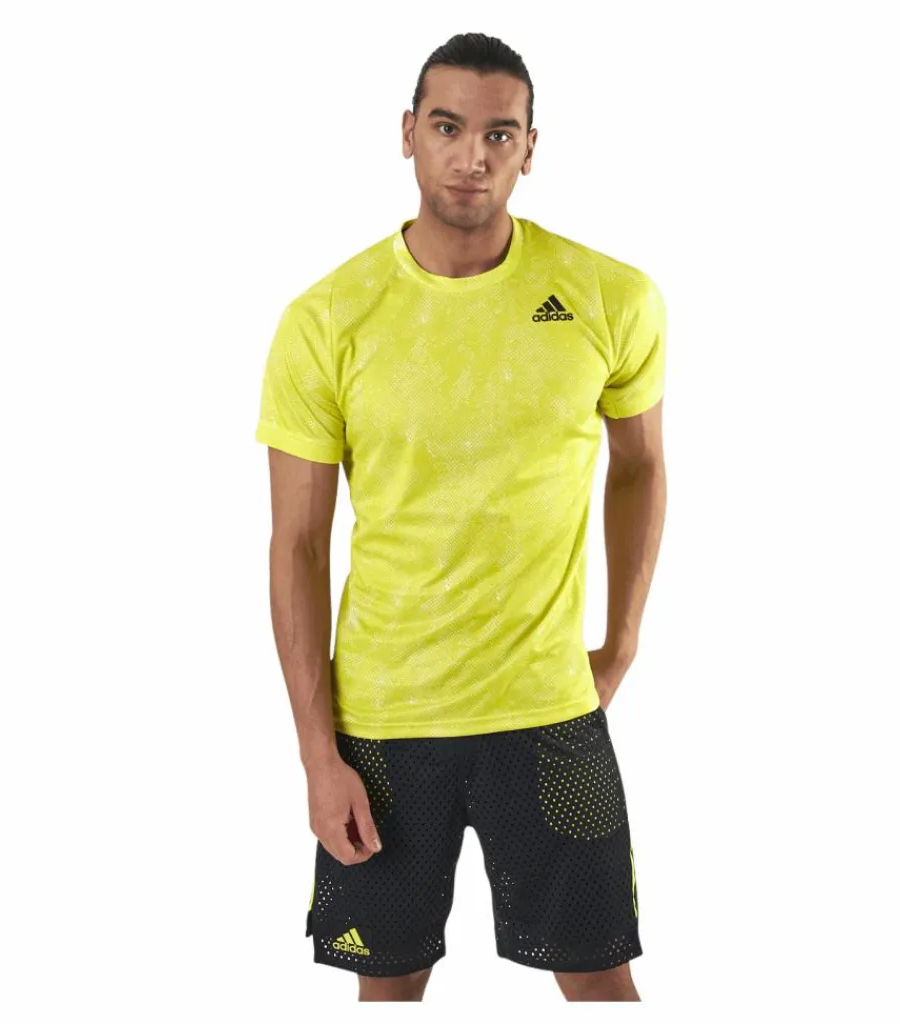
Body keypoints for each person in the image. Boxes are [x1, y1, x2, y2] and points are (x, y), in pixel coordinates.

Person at [254, 32, 667, 1003]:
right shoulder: (327, 318)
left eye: (498, 134)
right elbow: (297, 544)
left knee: (601, 980)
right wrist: (317, 754)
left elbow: (642, 467)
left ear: (530, 147)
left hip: (549, 711)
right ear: (408, 134)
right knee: (389, 985)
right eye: (447, 128)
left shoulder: (610, 297)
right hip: (384, 721)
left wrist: (621, 646)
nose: (471, 156)